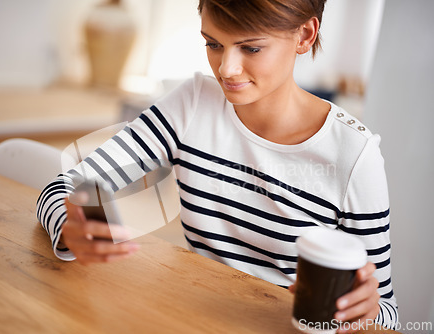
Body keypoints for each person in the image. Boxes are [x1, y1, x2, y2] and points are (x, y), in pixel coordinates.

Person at [36, 0, 398, 331]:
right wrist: (70, 227)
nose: (227, 68)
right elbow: (65, 185)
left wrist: (361, 312)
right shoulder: (194, 103)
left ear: (304, 35)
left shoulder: (354, 156)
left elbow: (389, 315)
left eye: (251, 48)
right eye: (214, 44)